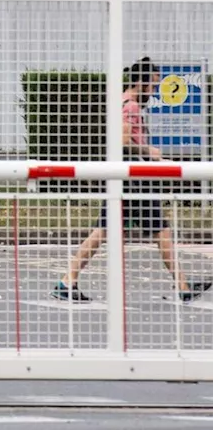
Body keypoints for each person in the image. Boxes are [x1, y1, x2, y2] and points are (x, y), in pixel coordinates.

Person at [51, 57, 212, 303]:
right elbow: (124, 141)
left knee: (108, 231)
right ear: (141, 82)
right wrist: (151, 153)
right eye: (154, 85)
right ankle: (183, 286)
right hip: (133, 180)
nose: (156, 91)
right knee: (157, 231)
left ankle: (67, 281)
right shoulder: (131, 106)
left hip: (128, 178)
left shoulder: (123, 102)